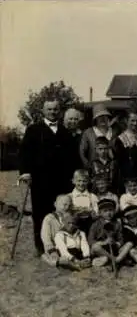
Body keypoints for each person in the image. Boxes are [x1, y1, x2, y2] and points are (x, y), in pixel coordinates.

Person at [19, 100, 79, 256]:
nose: (53, 112)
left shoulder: (65, 132)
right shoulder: (33, 130)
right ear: (43, 111)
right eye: (50, 109)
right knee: (40, 213)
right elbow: (25, 153)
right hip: (40, 181)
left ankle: (60, 245)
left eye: (56, 109)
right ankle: (41, 247)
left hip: (62, 181)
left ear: (59, 111)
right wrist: (25, 172)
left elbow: (73, 157)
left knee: (61, 212)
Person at [88, 199, 132, 268]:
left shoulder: (117, 224)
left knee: (129, 244)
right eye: (105, 211)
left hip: (113, 248)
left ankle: (116, 260)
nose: (108, 213)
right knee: (95, 247)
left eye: (110, 210)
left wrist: (116, 243)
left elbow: (121, 239)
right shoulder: (95, 225)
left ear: (114, 211)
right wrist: (104, 242)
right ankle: (116, 260)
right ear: (100, 213)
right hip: (101, 250)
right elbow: (91, 241)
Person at [114, 110, 137, 194]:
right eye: (132, 120)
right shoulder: (120, 139)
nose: (135, 123)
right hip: (126, 178)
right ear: (126, 121)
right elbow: (119, 162)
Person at [80, 104, 117, 170]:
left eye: (104, 116)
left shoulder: (115, 132)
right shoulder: (88, 133)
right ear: (95, 118)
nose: (102, 119)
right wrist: (88, 166)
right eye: (99, 116)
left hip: (112, 171)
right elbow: (82, 152)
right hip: (94, 171)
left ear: (108, 117)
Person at [40, 194, 73, 267]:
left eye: (69, 205)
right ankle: (57, 261)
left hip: (67, 249)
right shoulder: (49, 218)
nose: (67, 207)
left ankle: (66, 261)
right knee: (50, 257)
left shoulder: (70, 218)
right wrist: (52, 251)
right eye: (64, 205)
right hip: (54, 249)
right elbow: (45, 237)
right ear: (55, 204)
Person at [70, 169, 99, 234]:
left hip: (89, 225)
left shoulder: (92, 196)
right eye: (79, 181)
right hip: (74, 224)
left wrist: (92, 212)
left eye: (84, 181)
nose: (81, 183)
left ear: (88, 181)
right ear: (73, 181)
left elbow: (96, 214)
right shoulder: (70, 196)